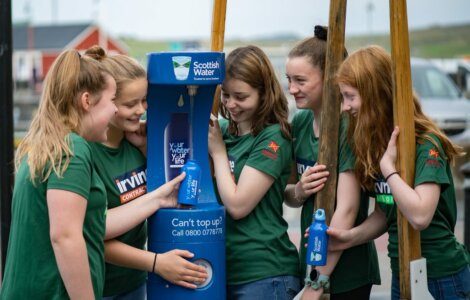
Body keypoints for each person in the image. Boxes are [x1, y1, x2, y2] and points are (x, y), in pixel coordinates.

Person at [0, 49, 185, 299]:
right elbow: (66, 237)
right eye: (112, 102)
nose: (113, 112)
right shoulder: (73, 151)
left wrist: (160, 197)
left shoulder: (56, 143)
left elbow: (95, 225)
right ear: (87, 101)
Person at [330, 45, 470, 299]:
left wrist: (388, 170)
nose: (344, 107)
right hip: (401, 272)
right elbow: (387, 212)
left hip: (442, 276)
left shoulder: (425, 143)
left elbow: (419, 215)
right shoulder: (378, 144)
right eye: (342, 98)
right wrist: (349, 238)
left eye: (350, 97)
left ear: (375, 94)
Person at [84, 46, 208, 299]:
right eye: (130, 104)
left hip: (135, 282)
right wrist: (156, 262)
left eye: (144, 100)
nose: (141, 110)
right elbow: (91, 234)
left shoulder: (137, 144)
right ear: (105, 102)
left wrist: (144, 148)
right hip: (100, 286)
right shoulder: (87, 154)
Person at [284, 26, 380, 299]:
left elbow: (347, 210)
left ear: (330, 79)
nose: (292, 89)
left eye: (300, 80)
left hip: (346, 271)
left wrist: (317, 282)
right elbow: (290, 194)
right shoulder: (300, 122)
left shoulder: (348, 127)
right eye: (288, 79)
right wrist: (300, 191)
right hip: (311, 262)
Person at [208, 45, 301, 300]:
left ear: (263, 92)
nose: (231, 104)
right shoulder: (222, 130)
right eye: (226, 95)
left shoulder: (273, 137)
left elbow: (238, 205)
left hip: (266, 274)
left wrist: (218, 153)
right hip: (224, 270)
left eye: (241, 96)